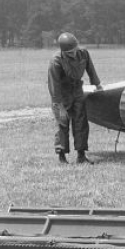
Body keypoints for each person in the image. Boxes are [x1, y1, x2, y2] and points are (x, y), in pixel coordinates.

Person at [47, 32, 103, 164]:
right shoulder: (55, 61)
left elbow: (91, 69)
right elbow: (54, 86)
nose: (73, 54)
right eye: (69, 53)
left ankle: (81, 155)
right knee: (62, 123)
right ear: (62, 51)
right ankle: (62, 157)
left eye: (74, 50)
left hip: (77, 91)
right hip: (62, 95)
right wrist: (59, 106)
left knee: (81, 122)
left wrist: (97, 84)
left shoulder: (83, 53)